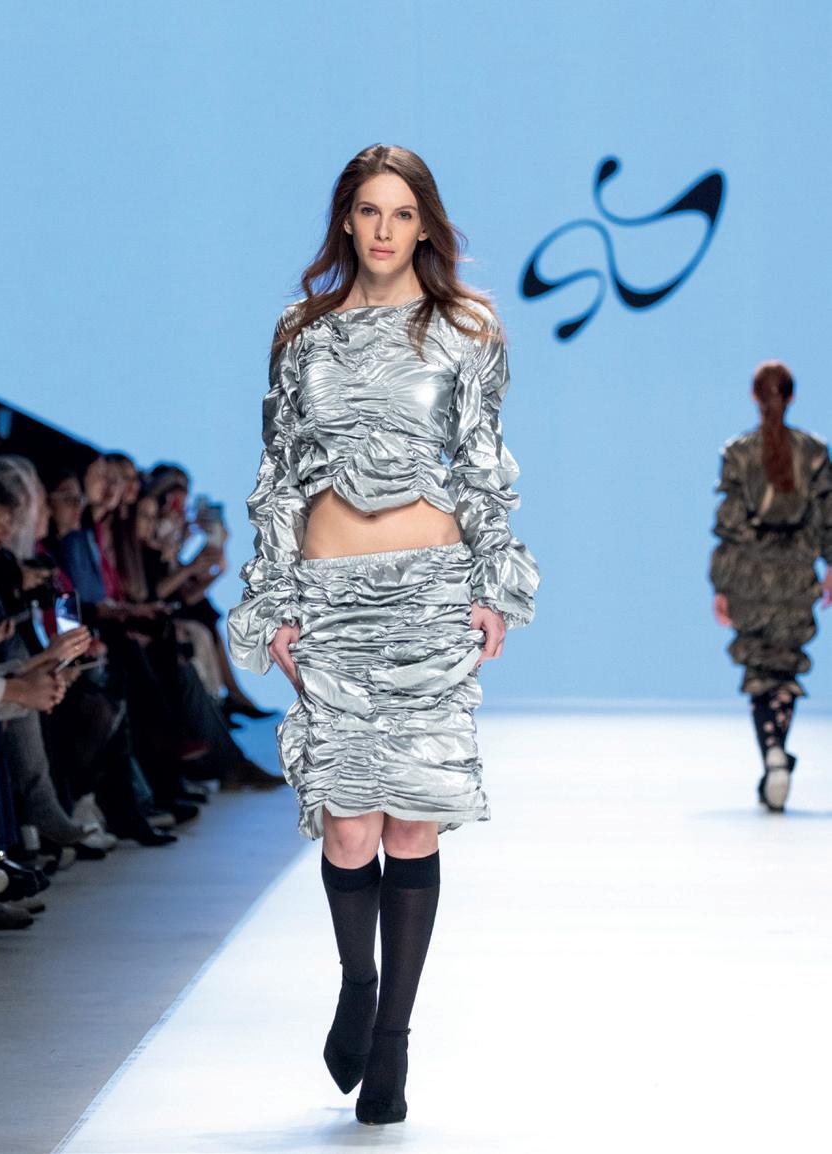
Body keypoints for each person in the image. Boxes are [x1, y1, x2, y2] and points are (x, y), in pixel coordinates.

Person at [227, 144, 540, 1125]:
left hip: (429, 592)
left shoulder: (466, 328)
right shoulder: (302, 332)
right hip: (329, 596)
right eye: (369, 210)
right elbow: (278, 474)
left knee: (412, 820)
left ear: (424, 225)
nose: (384, 229)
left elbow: (482, 462)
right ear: (345, 219)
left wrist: (493, 585)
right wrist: (275, 600)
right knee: (347, 821)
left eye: (402, 213)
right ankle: (357, 984)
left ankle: (393, 1039)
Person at [710, 360, 832, 812]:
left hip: (750, 572)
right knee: (783, 667)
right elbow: (826, 516)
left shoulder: (738, 452)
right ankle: (777, 749)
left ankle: (773, 754)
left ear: (754, 397)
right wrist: (830, 564)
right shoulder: (814, 452)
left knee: (760, 667)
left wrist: (722, 585)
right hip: (797, 572)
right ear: (791, 397)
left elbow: (729, 525)